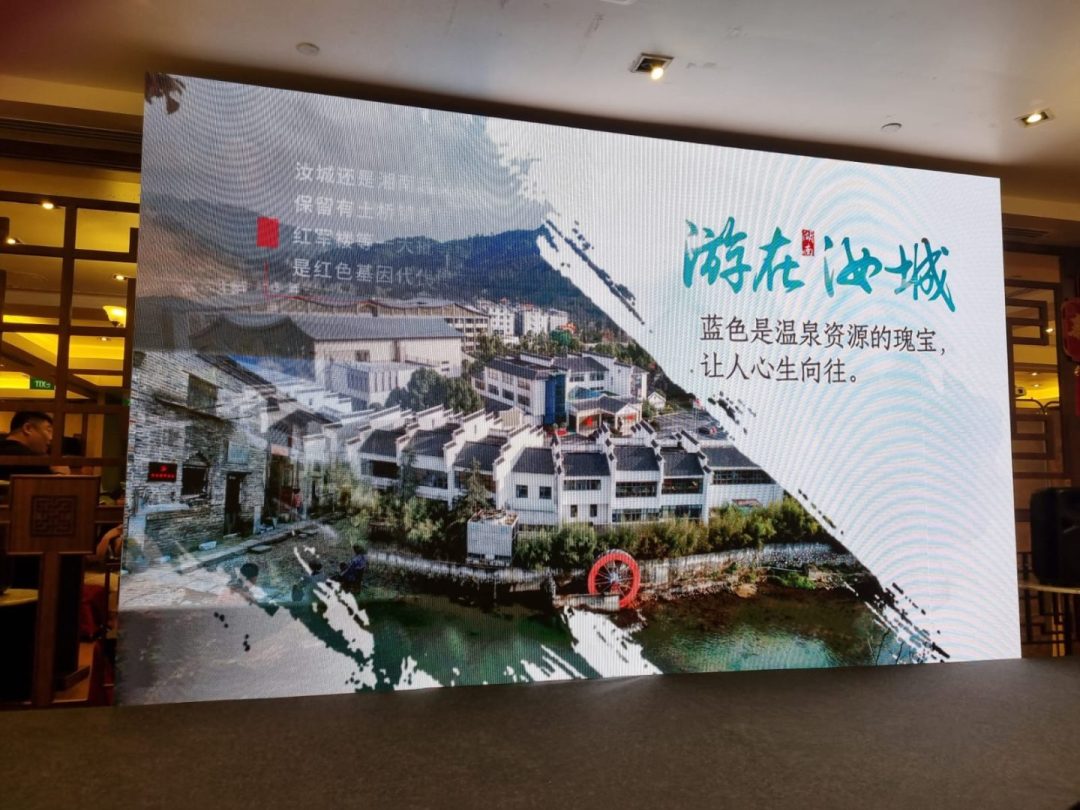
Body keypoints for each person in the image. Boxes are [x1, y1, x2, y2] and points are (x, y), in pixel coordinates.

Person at [0, 411, 70, 479]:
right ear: (27, 428)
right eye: (48, 431)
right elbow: (50, 485)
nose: (51, 438)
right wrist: (60, 474)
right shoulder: (33, 461)